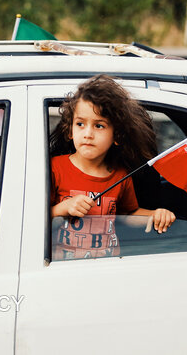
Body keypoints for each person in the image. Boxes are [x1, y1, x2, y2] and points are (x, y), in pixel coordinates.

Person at [49, 75, 176, 260]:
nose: (88, 134)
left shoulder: (120, 175)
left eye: (99, 125)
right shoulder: (56, 168)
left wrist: (155, 214)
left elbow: (127, 213)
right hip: (65, 266)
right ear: (70, 130)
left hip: (107, 265)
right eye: (80, 124)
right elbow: (36, 217)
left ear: (117, 136)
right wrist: (62, 208)